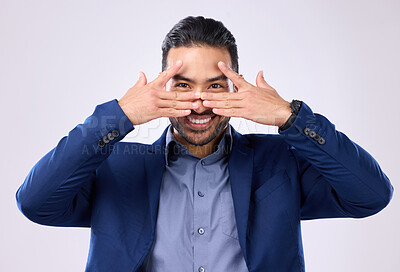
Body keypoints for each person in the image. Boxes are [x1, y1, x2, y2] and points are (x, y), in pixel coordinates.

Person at [16, 16, 394, 272]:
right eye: (183, 85)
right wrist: (119, 115)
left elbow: (371, 195)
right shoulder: (118, 163)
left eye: (215, 86)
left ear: (237, 88)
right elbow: (35, 203)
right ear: (161, 89)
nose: (199, 102)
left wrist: (290, 116)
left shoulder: (280, 162)